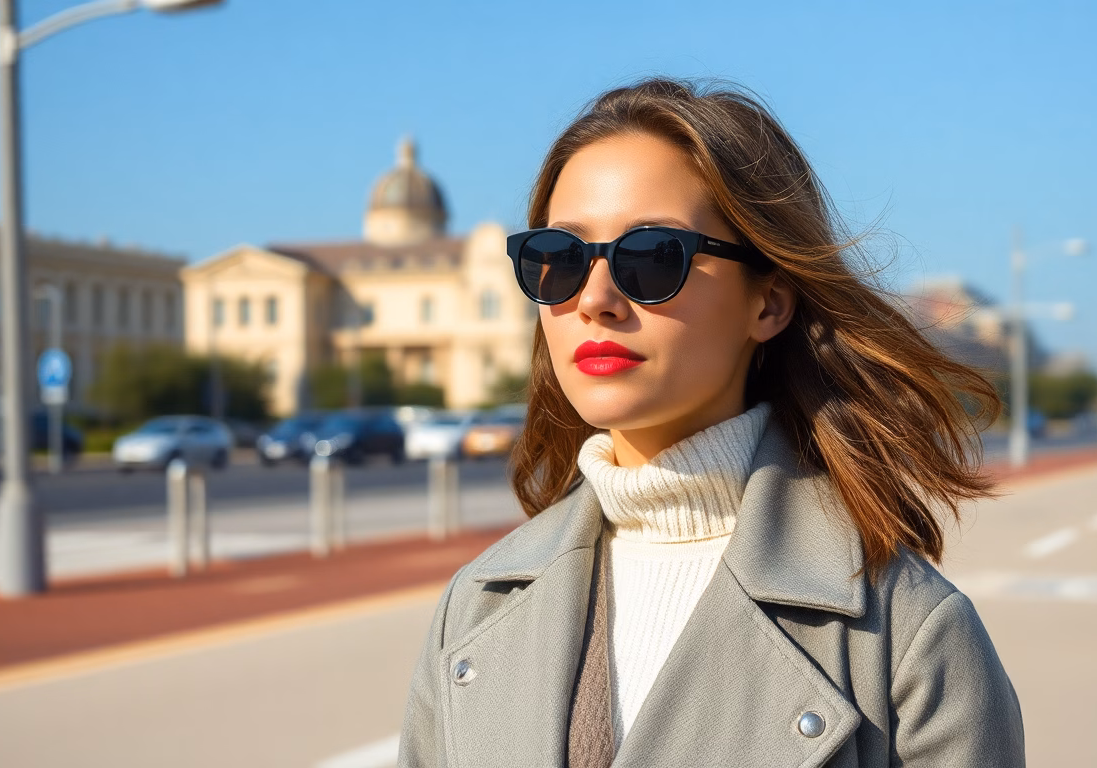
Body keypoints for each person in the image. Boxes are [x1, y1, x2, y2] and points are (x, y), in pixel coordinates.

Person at [399, 78, 1023, 767]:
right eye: (560, 260)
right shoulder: (477, 608)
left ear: (770, 303)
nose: (595, 299)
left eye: (652, 257)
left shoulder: (905, 635)